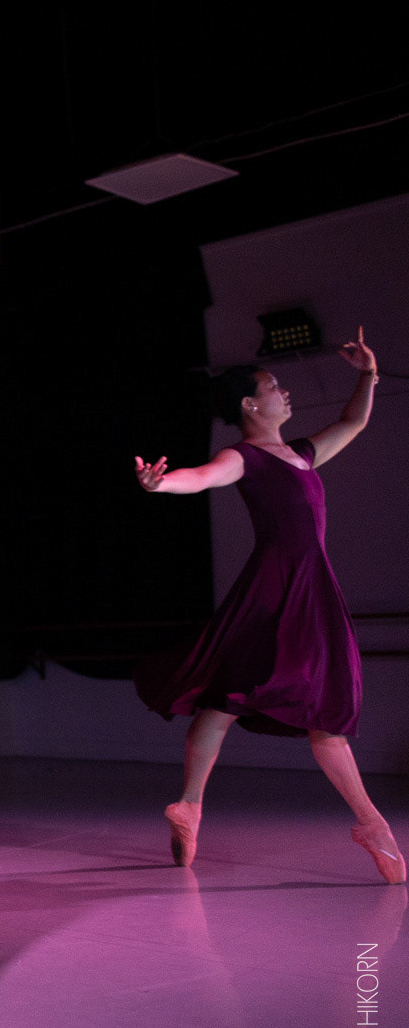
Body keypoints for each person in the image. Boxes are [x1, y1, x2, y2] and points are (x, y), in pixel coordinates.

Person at [133, 331, 401, 882]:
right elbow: (201, 478)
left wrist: (368, 374)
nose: (285, 392)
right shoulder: (243, 457)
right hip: (279, 590)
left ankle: (190, 804)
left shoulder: (301, 453)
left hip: (307, 588)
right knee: (274, 701)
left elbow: (353, 423)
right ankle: (369, 823)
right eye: (273, 386)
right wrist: (160, 486)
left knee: (231, 698)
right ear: (250, 405)